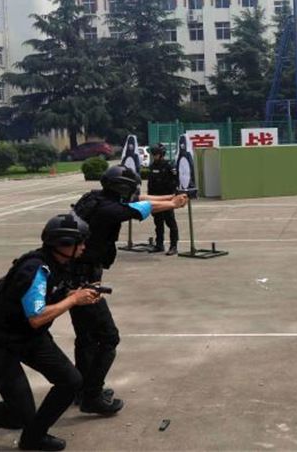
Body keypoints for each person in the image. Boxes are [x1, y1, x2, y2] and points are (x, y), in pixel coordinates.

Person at [0, 214, 100, 451]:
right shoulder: (36, 269)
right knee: (19, 416)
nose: (84, 247)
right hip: (3, 342)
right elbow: (37, 318)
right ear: (64, 243)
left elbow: (43, 302)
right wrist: (74, 300)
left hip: (30, 338)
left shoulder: (56, 263)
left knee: (71, 381)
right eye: (81, 242)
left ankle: (33, 438)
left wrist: (70, 295)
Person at [69, 165, 187, 415]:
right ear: (121, 188)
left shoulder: (96, 197)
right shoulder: (109, 208)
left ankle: (82, 389)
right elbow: (140, 209)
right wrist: (173, 205)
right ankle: (92, 396)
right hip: (84, 279)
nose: (135, 191)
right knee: (107, 337)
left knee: (86, 338)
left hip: (77, 273)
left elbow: (139, 200)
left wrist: (169, 197)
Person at [147, 144, 179, 255]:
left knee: (170, 223)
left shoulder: (169, 166)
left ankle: (173, 246)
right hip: (155, 199)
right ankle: (159, 245)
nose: (154, 156)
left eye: (155, 154)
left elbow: (176, 181)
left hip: (167, 199)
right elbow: (150, 184)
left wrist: (174, 196)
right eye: (153, 154)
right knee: (158, 223)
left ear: (161, 154)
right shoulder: (152, 166)